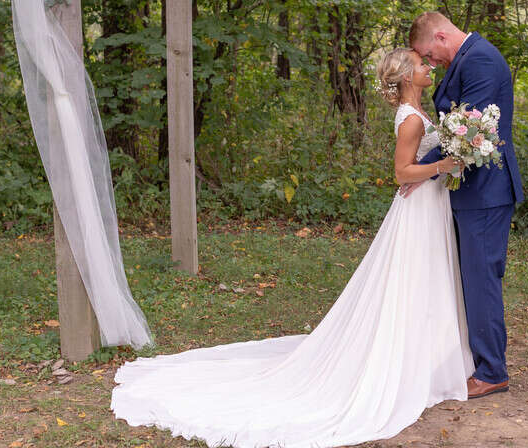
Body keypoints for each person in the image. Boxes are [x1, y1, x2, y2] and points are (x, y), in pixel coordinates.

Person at [111, 48, 473, 448]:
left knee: (425, 281)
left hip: (429, 206)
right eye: (421, 65)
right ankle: (410, 362)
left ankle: (426, 360)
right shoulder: (410, 121)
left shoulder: (418, 114)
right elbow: (401, 173)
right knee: (413, 280)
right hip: (418, 209)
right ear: (407, 77)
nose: (428, 69)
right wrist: (445, 166)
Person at [407, 11, 524, 399]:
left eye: (430, 54)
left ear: (441, 36)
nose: (432, 62)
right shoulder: (465, 59)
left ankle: (492, 371)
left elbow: (469, 131)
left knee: (480, 280)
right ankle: (475, 360)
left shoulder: (482, 61)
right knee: (467, 280)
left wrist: (418, 169)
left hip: (487, 192)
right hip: (465, 190)